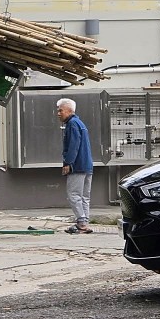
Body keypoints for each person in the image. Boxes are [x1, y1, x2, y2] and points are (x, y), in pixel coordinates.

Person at [57, 97, 93, 234]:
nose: (58, 113)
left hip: (77, 166)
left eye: (60, 110)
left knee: (73, 194)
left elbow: (73, 146)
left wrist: (68, 163)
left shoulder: (72, 124)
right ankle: (84, 222)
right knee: (84, 196)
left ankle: (82, 223)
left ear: (69, 110)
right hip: (87, 165)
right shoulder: (79, 123)